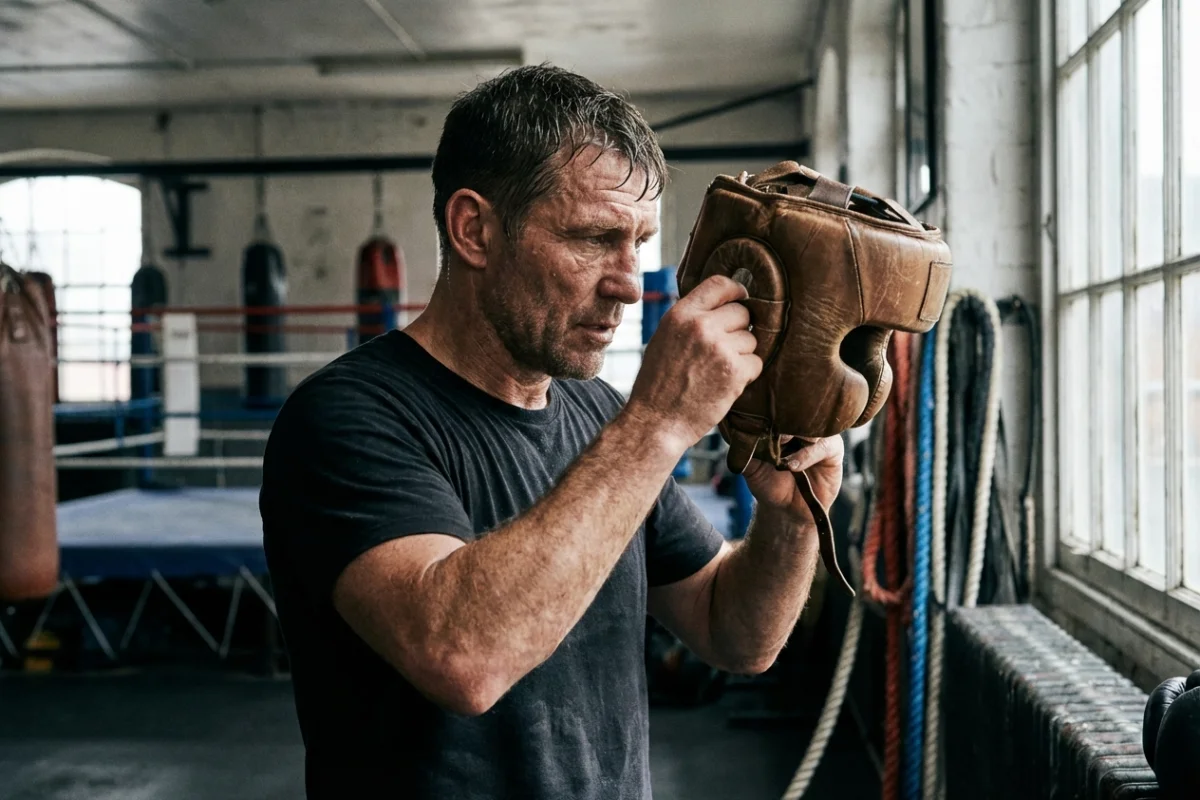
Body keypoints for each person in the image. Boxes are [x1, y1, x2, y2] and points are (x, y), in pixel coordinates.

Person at [260, 63, 843, 799]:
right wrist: (660, 422)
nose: (630, 282)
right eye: (596, 237)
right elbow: (462, 656)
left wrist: (790, 518)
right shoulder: (348, 418)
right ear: (474, 229)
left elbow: (735, 634)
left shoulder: (599, 414)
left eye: (640, 242)